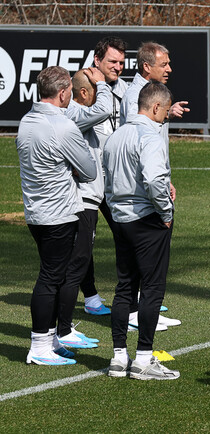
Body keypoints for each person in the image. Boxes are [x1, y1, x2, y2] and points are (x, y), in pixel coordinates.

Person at [16, 66, 97, 366]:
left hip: (36, 212)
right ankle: (38, 346)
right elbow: (89, 170)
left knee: (55, 275)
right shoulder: (62, 127)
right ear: (63, 93)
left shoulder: (26, 121)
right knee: (50, 279)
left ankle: (49, 340)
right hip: (58, 214)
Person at [103, 80, 179, 380]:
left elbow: (106, 179)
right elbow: (153, 180)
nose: (167, 118)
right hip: (147, 220)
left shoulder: (116, 135)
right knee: (151, 288)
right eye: (166, 112)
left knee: (125, 287)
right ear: (156, 106)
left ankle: (119, 357)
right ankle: (143, 359)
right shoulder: (150, 136)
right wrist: (166, 212)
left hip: (120, 219)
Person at [119, 42, 188, 329]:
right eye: (164, 64)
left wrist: (168, 114)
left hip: (153, 179)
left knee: (147, 260)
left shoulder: (153, 97)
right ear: (147, 66)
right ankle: (140, 313)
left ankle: (145, 308)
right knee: (146, 260)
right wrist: (160, 187)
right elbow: (134, 139)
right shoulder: (135, 96)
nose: (169, 69)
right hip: (142, 191)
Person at [53, 68, 113, 349]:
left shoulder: (76, 115)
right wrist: (103, 85)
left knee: (76, 263)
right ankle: (62, 331)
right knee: (74, 266)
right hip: (81, 202)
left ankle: (63, 327)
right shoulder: (75, 112)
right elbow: (104, 109)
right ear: (84, 93)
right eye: (96, 89)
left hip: (88, 199)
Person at [80, 36, 130, 317]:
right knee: (84, 244)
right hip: (87, 179)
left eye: (122, 62)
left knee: (128, 235)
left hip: (117, 179)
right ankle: (91, 297)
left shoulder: (125, 89)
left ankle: (133, 297)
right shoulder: (81, 86)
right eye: (112, 61)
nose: (118, 67)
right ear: (97, 60)